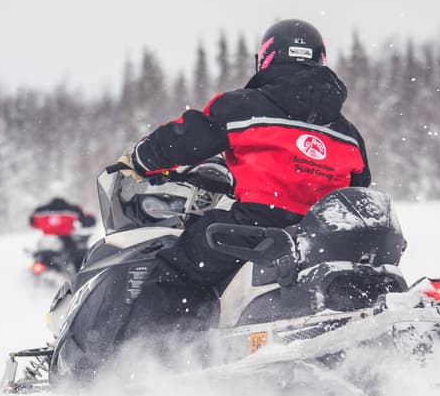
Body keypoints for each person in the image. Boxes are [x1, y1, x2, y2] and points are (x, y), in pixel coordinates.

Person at [118, 19, 371, 302]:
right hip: (319, 239)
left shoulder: (246, 106)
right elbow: (360, 188)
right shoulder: (349, 134)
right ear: (320, 59)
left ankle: (152, 344)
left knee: (174, 270)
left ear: (267, 57)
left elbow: (188, 136)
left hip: (257, 226)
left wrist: (142, 158)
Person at [29, 197, 96, 271]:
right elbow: (87, 220)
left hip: (46, 242)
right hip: (65, 240)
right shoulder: (73, 210)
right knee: (81, 258)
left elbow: (32, 223)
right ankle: (80, 275)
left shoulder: (40, 211)